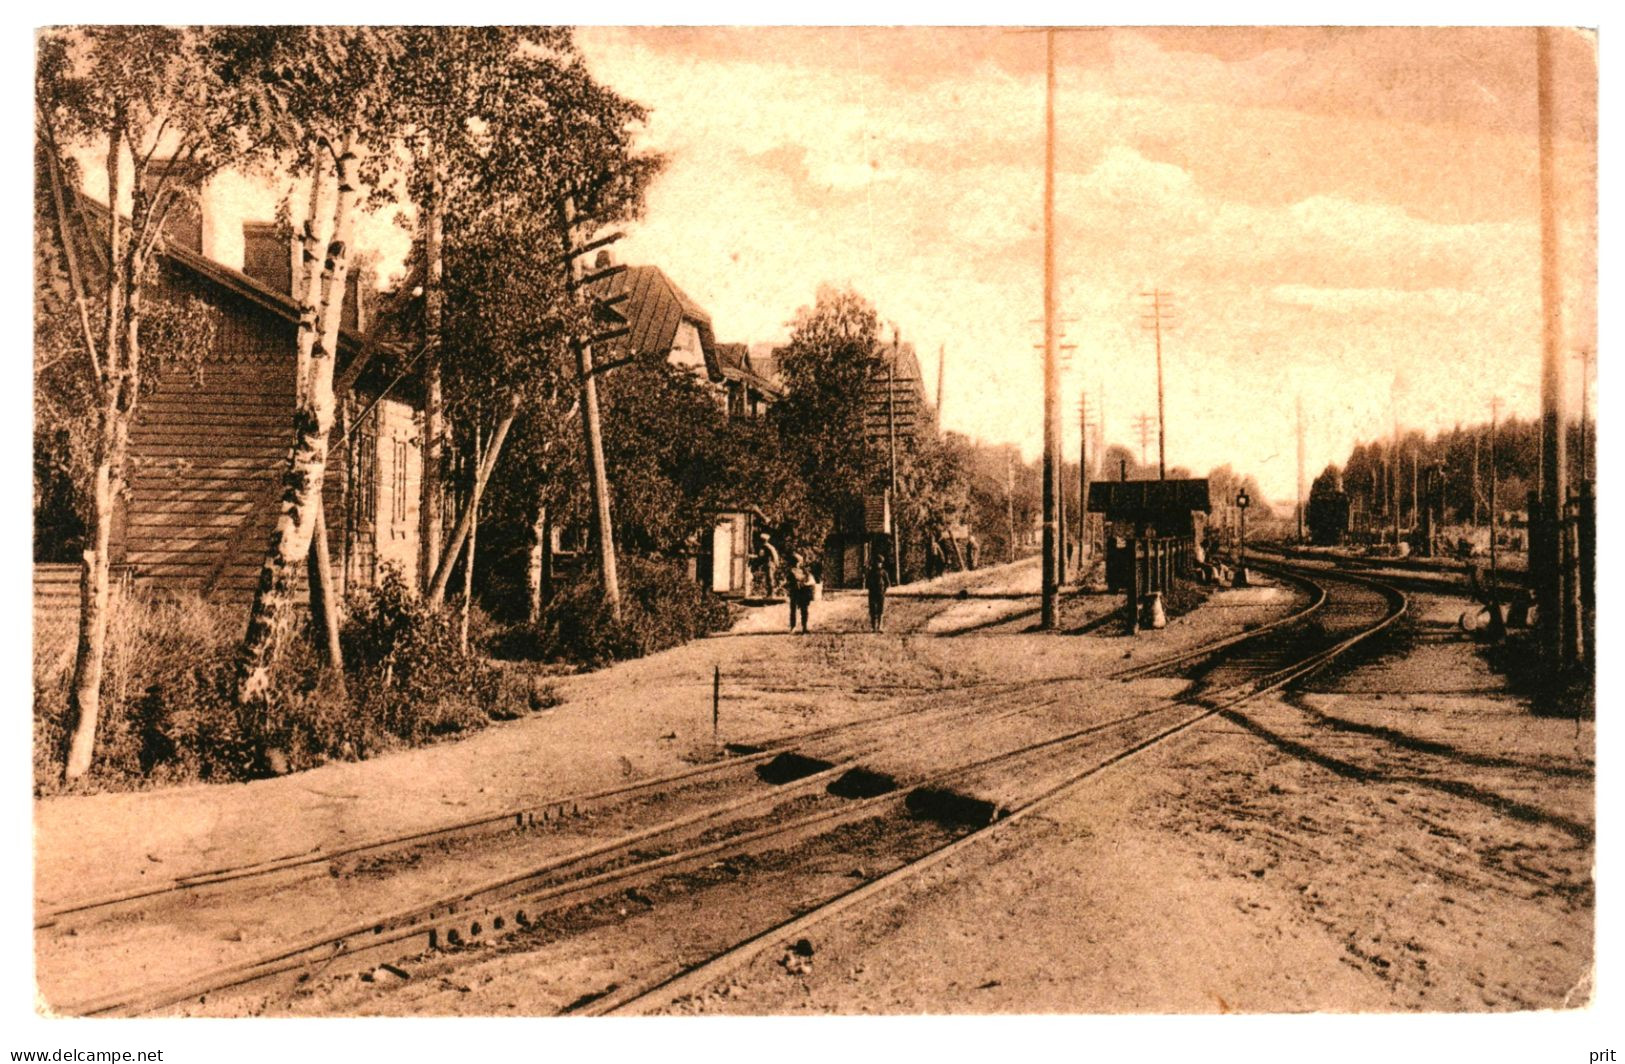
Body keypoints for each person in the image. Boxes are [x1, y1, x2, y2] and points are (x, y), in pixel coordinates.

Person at [786, 551, 814, 633]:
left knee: (803, 610)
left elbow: (810, 579)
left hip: (802, 592)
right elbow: (792, 581)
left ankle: (803, 627)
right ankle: (794, 627)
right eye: (798, 562)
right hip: (795, 592)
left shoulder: (803, 571)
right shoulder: (791, 571)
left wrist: (806, 581)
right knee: (794, 609)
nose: (798, 564)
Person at [865, 549, 891, 632]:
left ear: (882, 563)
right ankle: (873, 627)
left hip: (880, 594)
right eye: (877, 562)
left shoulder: (884, 573)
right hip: (872, 593)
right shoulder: (871, 572)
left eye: (880, 563)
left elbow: (887, 583)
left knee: (880, 610)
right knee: (873, 610)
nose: (878, 564)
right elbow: (867, 583)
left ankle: (880, 627)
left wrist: (883, 591)